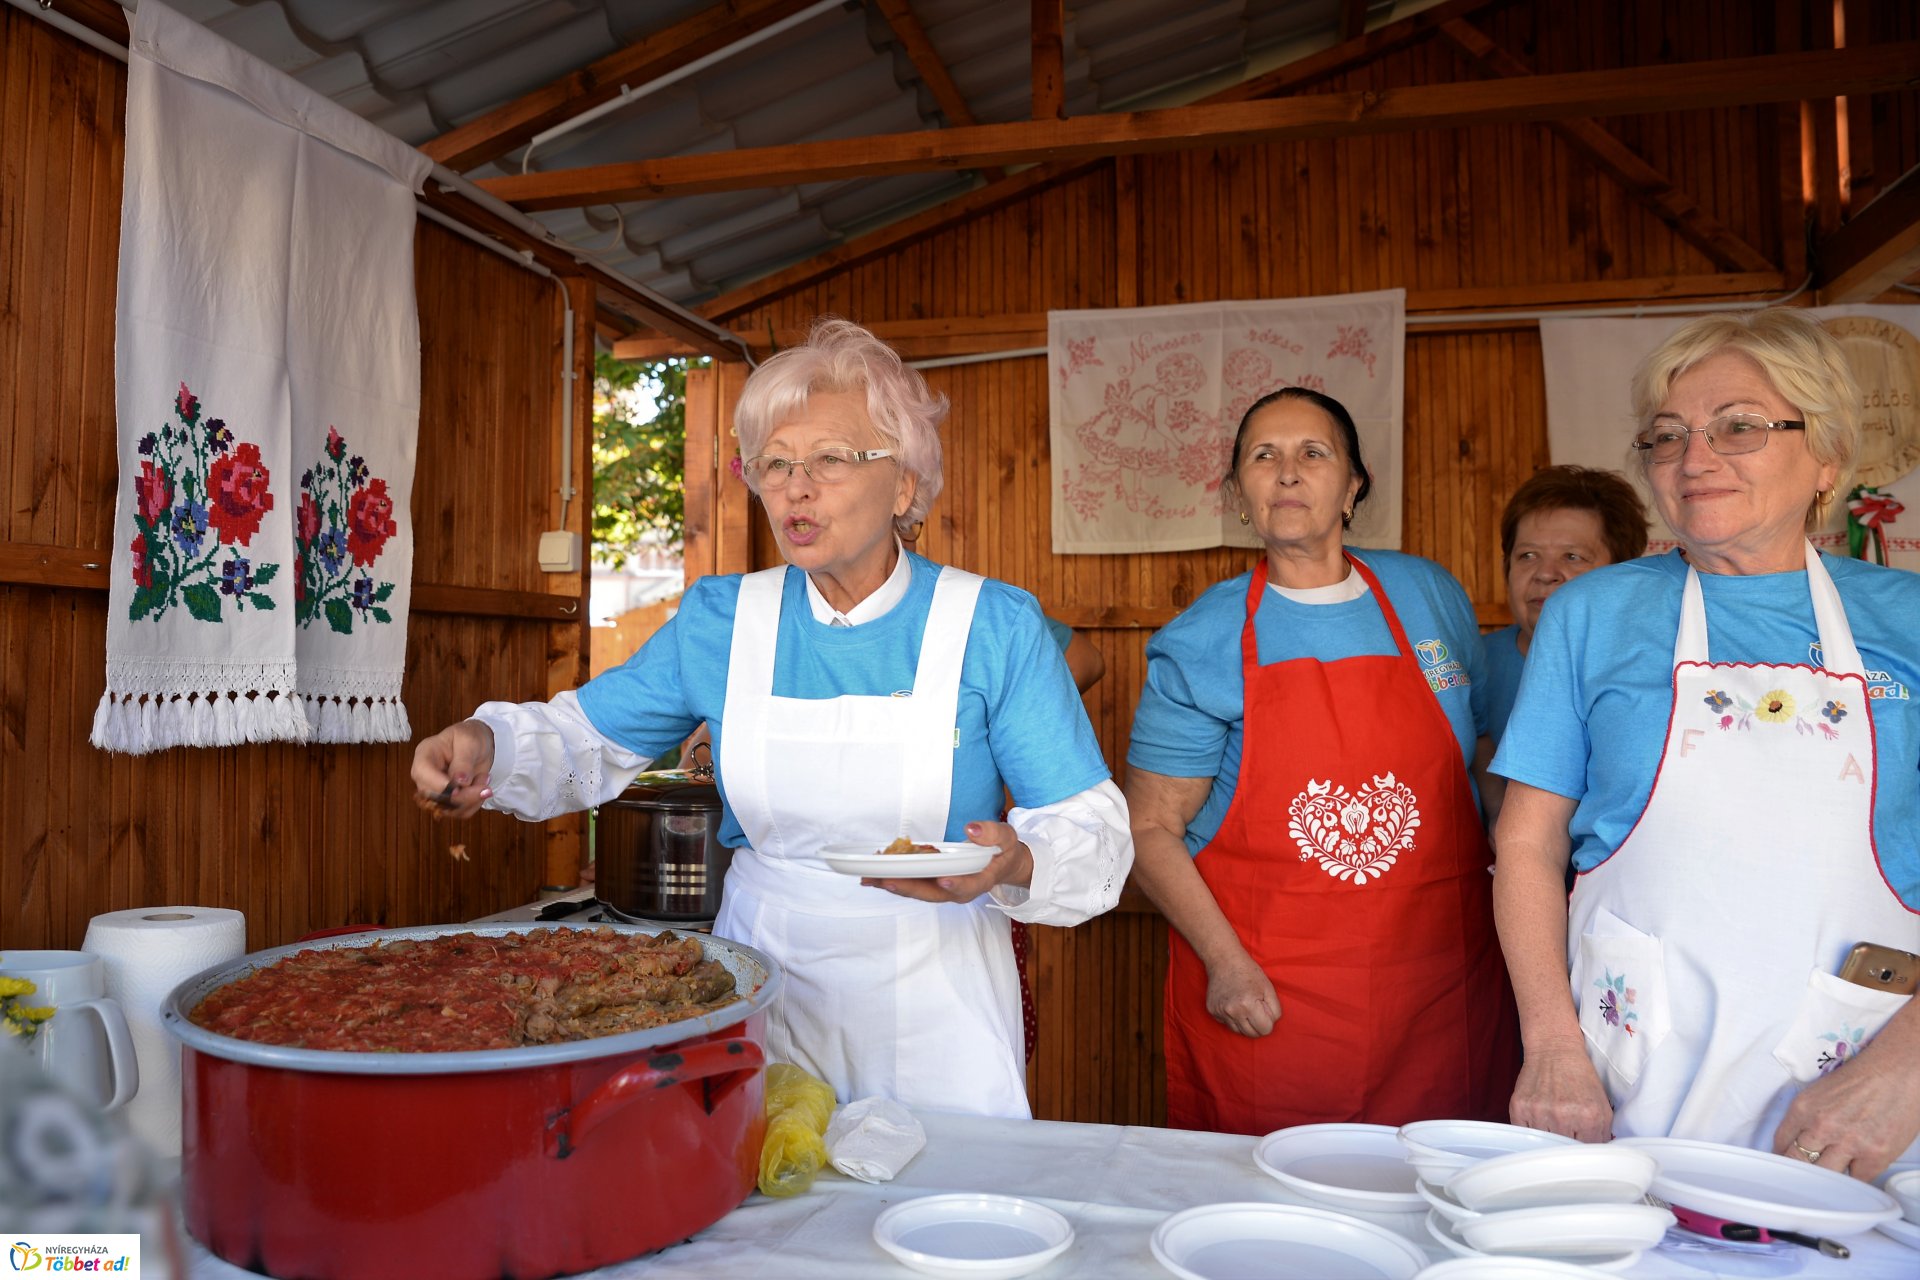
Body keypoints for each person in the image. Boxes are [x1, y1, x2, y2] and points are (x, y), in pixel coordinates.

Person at [411, 318, 1133, 1119]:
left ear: (903, 484)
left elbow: (1088, 825)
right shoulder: (723, 619)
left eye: (830, 460)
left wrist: (1020, 862)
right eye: (774, 464)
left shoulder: (992, 624)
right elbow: (585, 737)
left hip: (938, 992)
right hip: (763, 976)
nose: (795, 487)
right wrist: (486, 743)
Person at [1492, 308, 1920, 1180]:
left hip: (1862, 1097)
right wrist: (1552, 1046)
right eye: (1668, 436)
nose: (1695, 459)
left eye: (1742, 428)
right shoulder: (1594, 614)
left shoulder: (1908, 619)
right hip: (1631, 1083)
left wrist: (1905, 1072)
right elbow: (1527, 842)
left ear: (1828, 456)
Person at [1126, 386, 1521, 1135]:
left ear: (1353, 484)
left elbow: (1480, 760)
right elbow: (1149, 826)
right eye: (1262, 456)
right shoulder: (1205, 636)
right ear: (1239, 491)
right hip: (1271, 989)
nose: (1287, 472)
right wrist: (1227, 964)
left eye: (1314, 453)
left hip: (1440, 986)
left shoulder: (1428, 595)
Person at [1477, 466, 1650, 746]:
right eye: (1528, 555)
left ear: (1621, 574)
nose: (1546, 573)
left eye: (1572, 556)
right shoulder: (1468, 667)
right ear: (1505, 567)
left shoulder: (1652, 670)